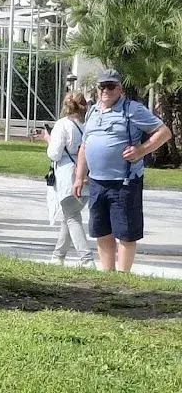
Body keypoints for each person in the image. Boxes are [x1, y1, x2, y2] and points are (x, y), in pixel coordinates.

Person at [72, 69, 174, 273]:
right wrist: (79, 177)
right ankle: (108, 274)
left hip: (124, 182)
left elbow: (164, 132)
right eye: (102, 86)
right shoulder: (92, 111)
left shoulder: (132, 109)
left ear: (120, 88)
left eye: (110, 86)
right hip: (97, 182)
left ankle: (123, 275)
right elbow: (84, 146)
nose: (105, 91)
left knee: (126, 232)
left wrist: (141, 150)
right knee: (101, 230)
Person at [43, 92, 94, 267]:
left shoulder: (62, 125)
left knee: (71, 217)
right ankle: (58, 256)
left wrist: (48, 139)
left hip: (67, 175)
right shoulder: (87, 125)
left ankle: (86, 259)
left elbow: (54, 154)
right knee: (69, 215)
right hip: (85, 173)